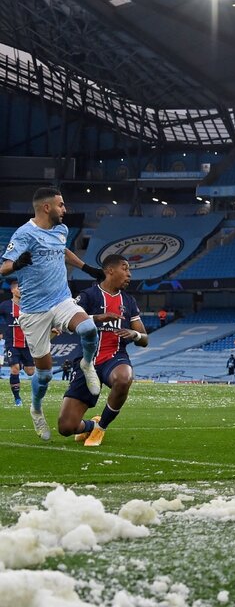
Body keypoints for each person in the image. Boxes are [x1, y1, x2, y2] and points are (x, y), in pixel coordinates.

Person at [0, 187, 105, 441]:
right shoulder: (25, 234)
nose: (65, 209)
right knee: (44, 375)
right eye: (61, 205)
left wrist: (87, 267)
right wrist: (18, 264)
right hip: (34, 311)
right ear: (46, 207)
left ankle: (87, 364)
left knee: (89, 329)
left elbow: (63, 250)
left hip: (61, 300)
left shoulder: (62, 230)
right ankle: (36, 409)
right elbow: (4, 268)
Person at [58, 254, 148, 447]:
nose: (129, 274)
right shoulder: (88, 296)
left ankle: (101, 428)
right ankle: (92, 425)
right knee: (66, 427)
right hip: (87, 361)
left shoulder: (129, 301)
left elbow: (144, 339)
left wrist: (134, 335)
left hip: (114, 358)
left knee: (124, 378)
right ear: (110, 270)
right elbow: (68, 322)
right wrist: (98, 318)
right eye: (125, 268)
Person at [0, 279, 35, 406]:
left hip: (27, 344)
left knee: (30, 372)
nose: (21, 291)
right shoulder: (5, 305)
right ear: (13, 290)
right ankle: (17, 399)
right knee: (14, 370)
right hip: (12, 343)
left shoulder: (30, 305)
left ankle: (20, 364)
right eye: (19, 288)